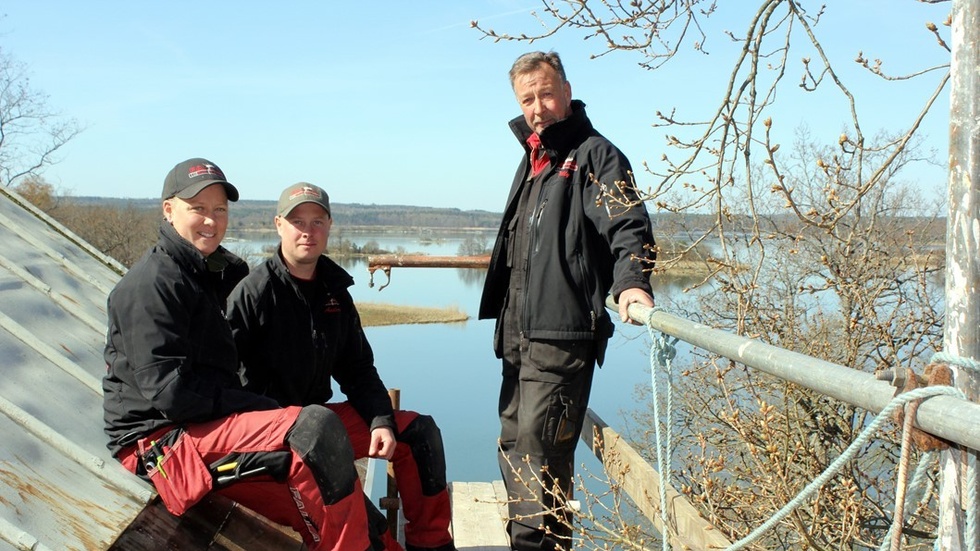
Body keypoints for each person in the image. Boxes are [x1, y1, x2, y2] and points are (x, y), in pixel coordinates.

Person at [102, 158, 377, 551]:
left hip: (206, 424)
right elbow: (170, 394)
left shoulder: (216, 273)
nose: (211, 221)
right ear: (168, 210)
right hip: (160, 442)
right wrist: (259, 407)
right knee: (314, 427)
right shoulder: (151, 286)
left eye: (220, 210)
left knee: (366, 525)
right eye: (198, 209)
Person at [478, 51, 657, 551]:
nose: (537, 106)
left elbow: (629, 226)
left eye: (546, 93)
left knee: (541, 464)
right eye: (527, 98)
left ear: (567, 89)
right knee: (515, 450)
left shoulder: (595, 155)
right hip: (519, 340)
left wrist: (632, 282)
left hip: (561, 340)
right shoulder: (535, 160)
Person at [226, 182, 456, 551]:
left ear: (330, 225)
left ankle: (431, 544)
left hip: (322, 428)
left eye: (317, 221)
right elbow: (222, 383)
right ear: (278, 225)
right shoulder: (253, 294)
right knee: (373, 534)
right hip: (271, 441)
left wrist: (381, 420)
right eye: (297, 221)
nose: (308, 231)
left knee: (418, 435)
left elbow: (358, 369)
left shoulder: (334, 292)